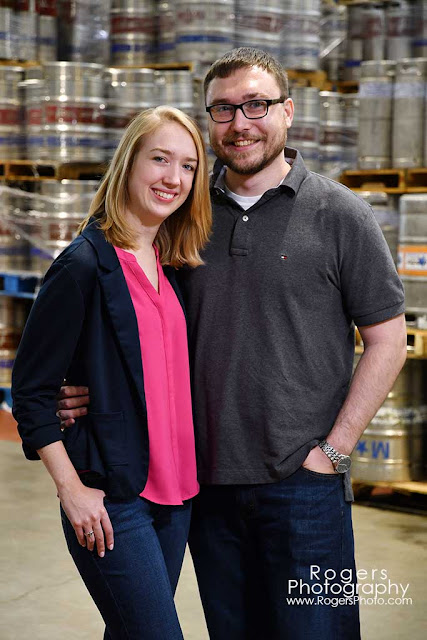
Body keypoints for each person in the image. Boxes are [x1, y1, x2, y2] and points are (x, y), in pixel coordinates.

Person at [57, 48, 407, 640]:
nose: (240, 122)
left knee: (322, 633)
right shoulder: (179, 217)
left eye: (257, 105)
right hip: (205, 489)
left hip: (306, 490)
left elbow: (389, 341)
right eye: (223, 109)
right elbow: (130, 319)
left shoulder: (340, 213)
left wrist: (336, 452)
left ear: (288, 112)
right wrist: (78, 391)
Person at [12, 106, 212, 639]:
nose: (174, 178)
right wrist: (71, 490)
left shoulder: (174, 267)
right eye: (161, 159)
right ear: (128, 164)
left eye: (189, 166)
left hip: (178, 495)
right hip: (113, 496)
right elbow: (30, 391)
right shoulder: (83, 265)